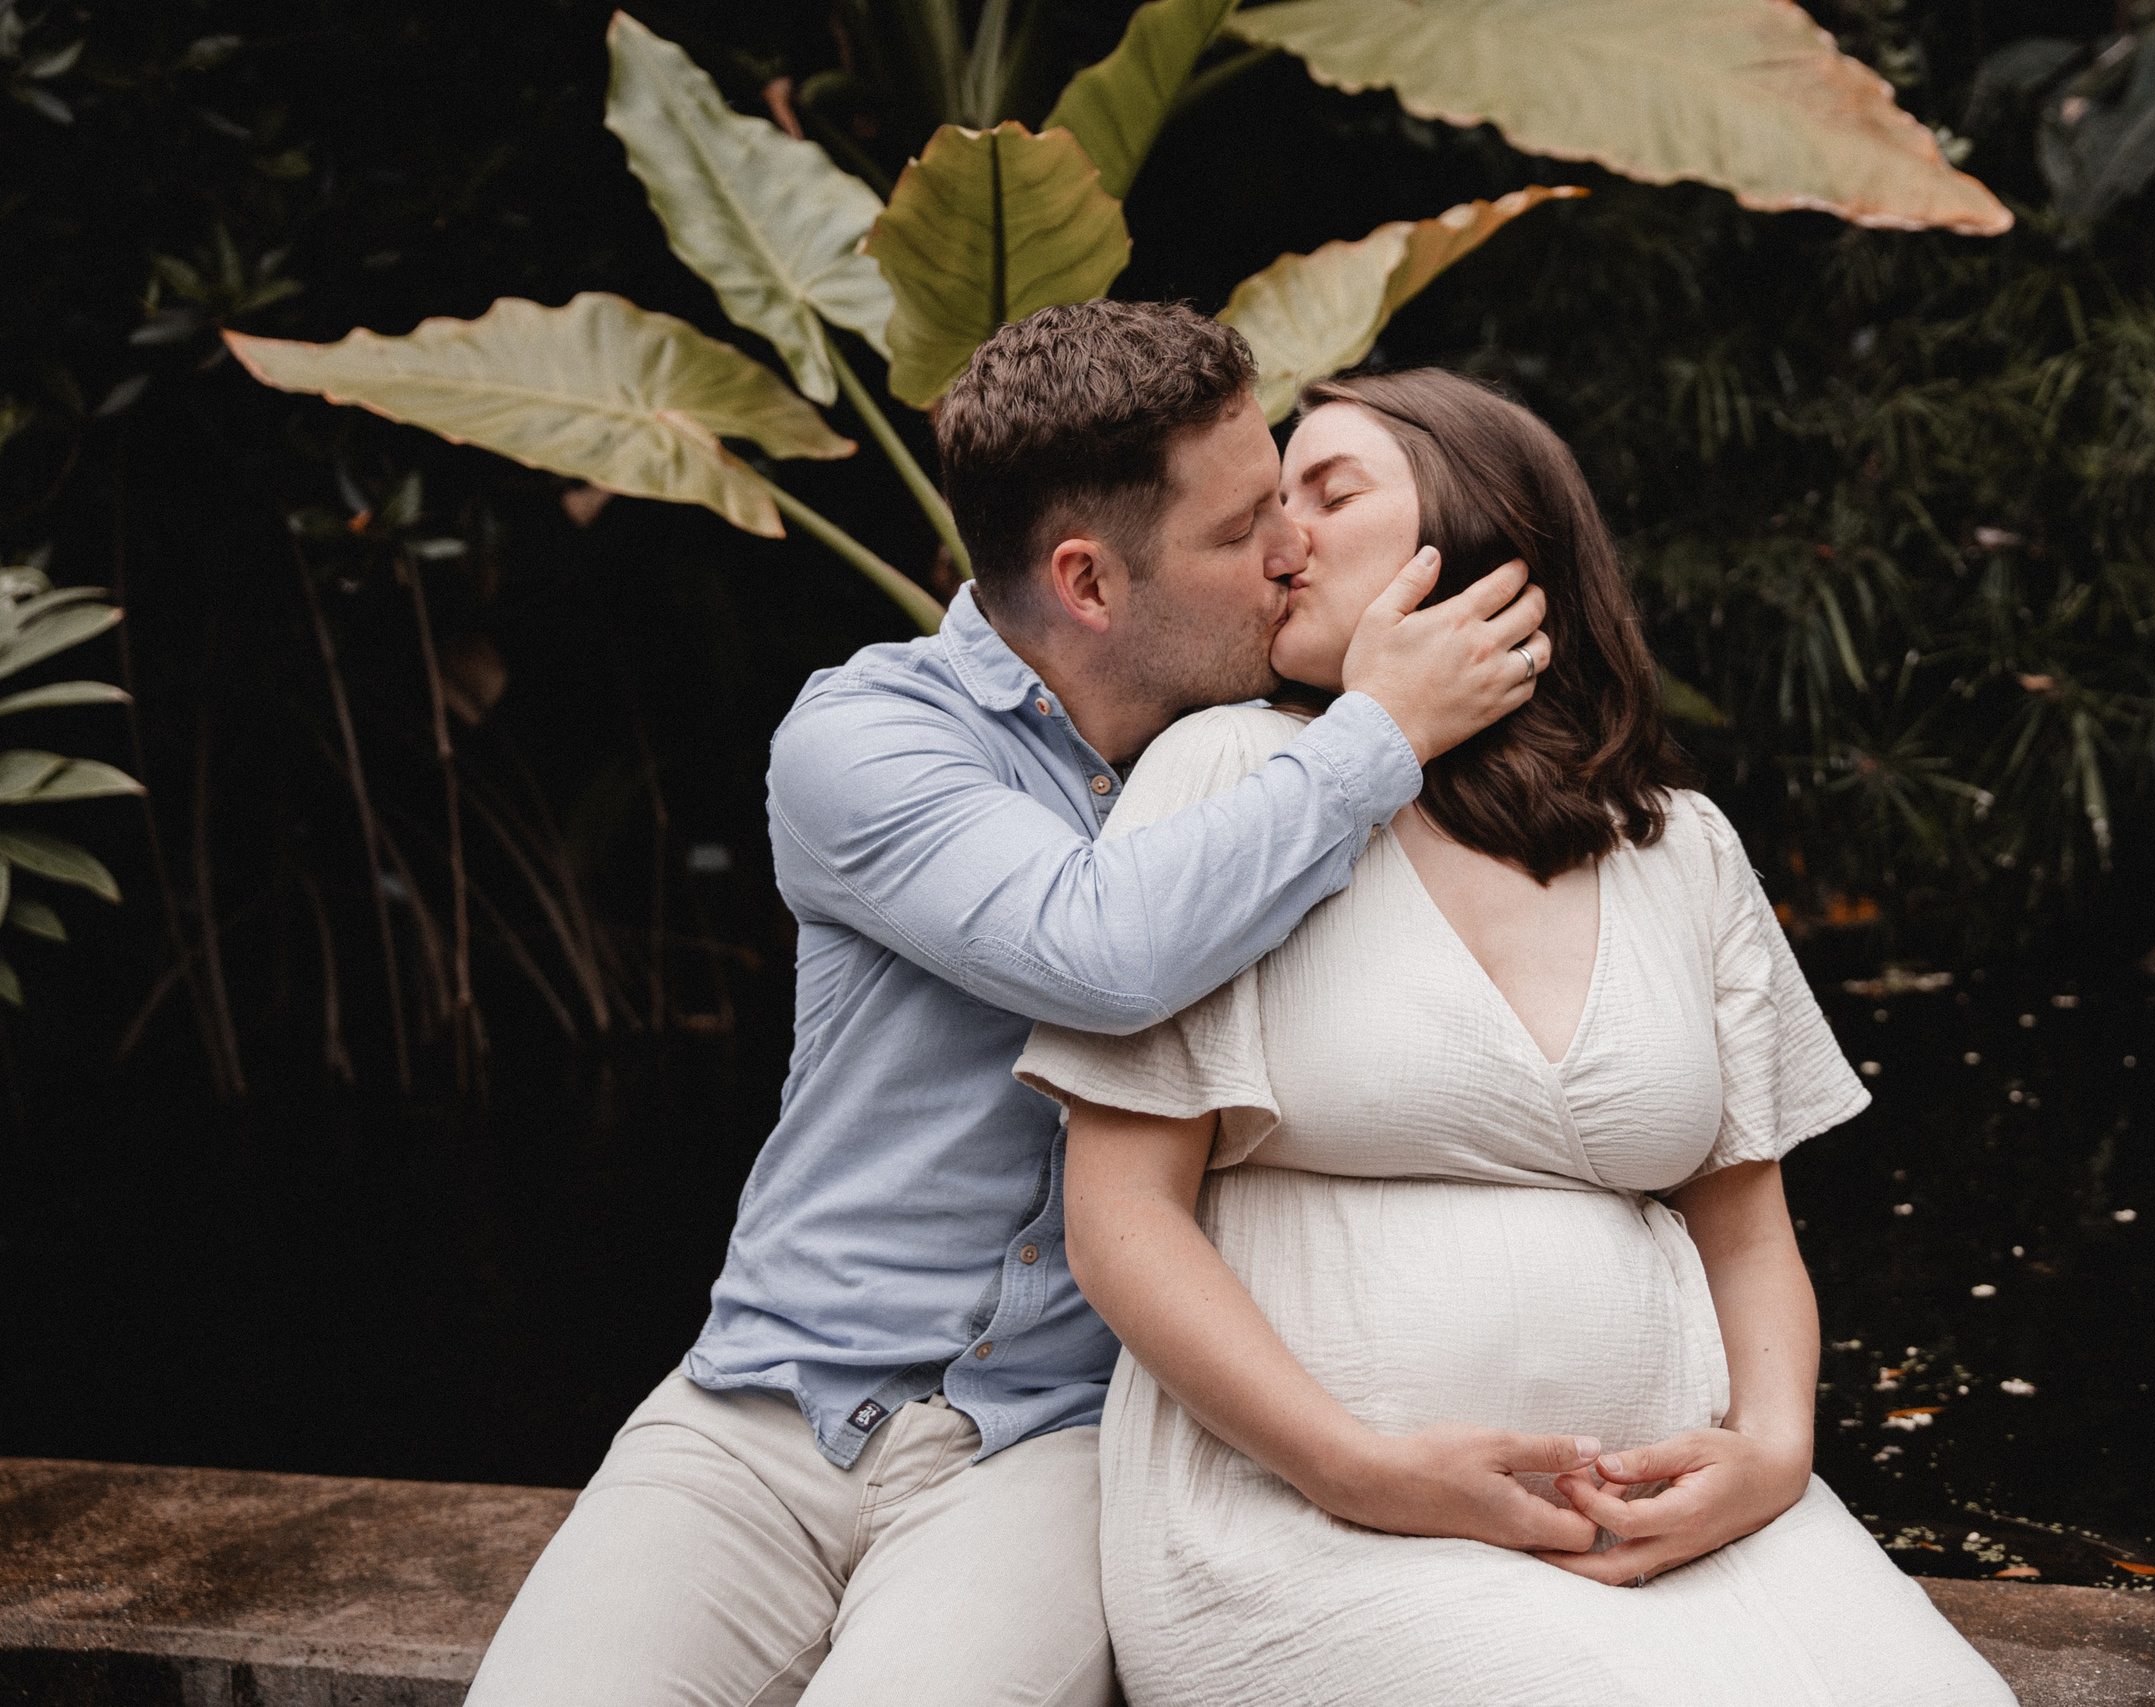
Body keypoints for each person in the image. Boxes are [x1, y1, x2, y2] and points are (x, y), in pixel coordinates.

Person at [464, 306, 1569, 1707]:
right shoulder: (865, 739)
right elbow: (1097, 954)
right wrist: (1381, 733)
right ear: (1088, 585)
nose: (1289, 551)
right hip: (762, 1410)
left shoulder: (1265, 762)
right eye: (1241, 533)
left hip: (1044, 1447)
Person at [1017, 369, 2018, 1706]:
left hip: (1664, 1527)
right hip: (1311, 1522)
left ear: (1487, 533)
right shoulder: (1226, 784)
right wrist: (1354, 1467)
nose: (1278, 542)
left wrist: (1773, 1451)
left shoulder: (1677, 844)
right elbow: (1122, 1222)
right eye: (1264, 507)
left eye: (1329, 492)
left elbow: (1745, 1225)